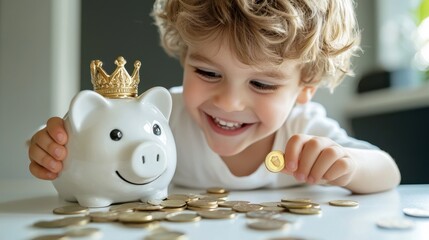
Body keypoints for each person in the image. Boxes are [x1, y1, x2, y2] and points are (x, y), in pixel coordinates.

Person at [28, 0, 401, 194]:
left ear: (305, 89)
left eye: (262, 85)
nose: (228, 103)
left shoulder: (305, 130)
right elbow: (84, 146)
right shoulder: (159, 121)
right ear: (185, 56)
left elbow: (388, 172)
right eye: (208, 73)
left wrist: (348, 165)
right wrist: (55, 148)